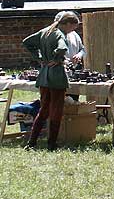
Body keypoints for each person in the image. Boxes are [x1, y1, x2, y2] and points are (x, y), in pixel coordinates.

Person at [22, 11, 80, 150]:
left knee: (44, 110)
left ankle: (32, 142)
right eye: (72, 27)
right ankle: (52, 143)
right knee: (56, 111)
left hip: (44, 75)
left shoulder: (45, 31)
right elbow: (62, 48)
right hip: (56, 76)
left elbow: (27, 42)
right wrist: (56, 59)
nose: (72, 31)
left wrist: (40, 58)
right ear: (66, 24)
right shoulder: (59, 34)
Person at [54, 11, 86, 101]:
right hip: (60, 72)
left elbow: (83, 50)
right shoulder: (54, 35)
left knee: (73, 100)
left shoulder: (74, 34)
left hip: (74, 71)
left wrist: (79, 55)